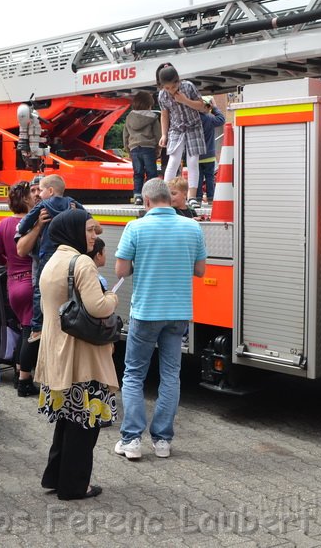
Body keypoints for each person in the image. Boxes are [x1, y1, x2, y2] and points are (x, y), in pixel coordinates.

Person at [114, 177, 206, 460]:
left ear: (147, 201)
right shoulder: (193, 227)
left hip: (146, 312)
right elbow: (200, 271)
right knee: (170, 376)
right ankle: (163, 441)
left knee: (133, 375)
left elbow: (121, 270)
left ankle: (131, 441)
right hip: (178, 313)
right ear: (170, 197)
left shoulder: (136, 227)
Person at [36, 210, 118, 500]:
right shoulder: (82, 261)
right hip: (82, 355)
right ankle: (74, 486)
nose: (94, 237)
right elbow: (98, 307)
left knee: (67, 421)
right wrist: (113, 298)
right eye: (89, 231)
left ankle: (56, 477)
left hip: (57, 352)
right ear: (73, 231)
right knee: (85, 425)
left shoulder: (52, 260)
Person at [15, 174, 81, 361]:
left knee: (40, 292)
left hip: (48, 257)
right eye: (34, 190)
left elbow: (23, 225)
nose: (38, 194)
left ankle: (37, 327)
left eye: (41, 190)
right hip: (68, 255)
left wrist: (26, 226)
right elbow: (88, 218)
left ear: (50, 191)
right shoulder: (71, 203)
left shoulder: (42, 206)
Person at [0, 182, 36, 397]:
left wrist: (9, 263)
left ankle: (20, 372)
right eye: (32, 194)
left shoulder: (4, 224)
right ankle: (23, 380)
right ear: (26, 200)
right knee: (30, 332)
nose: (36, 197)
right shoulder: (33, 224)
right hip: (30, 281)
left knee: (22, 329)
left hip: (13, 283)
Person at [157, 63, 207, 211]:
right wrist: (164, 134)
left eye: (173, 86)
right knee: (173, 160)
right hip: (176, 129)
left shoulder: (188, 86)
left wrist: (185, 100)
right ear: (162, 86)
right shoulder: (162, 95)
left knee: (193, 161)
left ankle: (192, 197)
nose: (171, 90)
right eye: (167, 88)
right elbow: (164, 115)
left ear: (178, 81)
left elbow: (203, 106)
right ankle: (165, 195)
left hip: (194, 127)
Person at [123, 91, 161, 205]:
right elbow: (158, 134)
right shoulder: (153, 117)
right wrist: (159, 148)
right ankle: (151, 196)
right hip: (148, 148)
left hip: (134, 148)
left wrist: (127, 149)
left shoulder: (129, 117)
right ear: (149, 104)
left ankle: (137, 196)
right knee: (151, 173)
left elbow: (125, 135)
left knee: (138, 173)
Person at [195, 95, 226, 204]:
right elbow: (222, 119)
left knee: (197, 178)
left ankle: (197, 199)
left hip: (196, 154)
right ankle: (211, 198)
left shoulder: (194, 119)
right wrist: (215, 107)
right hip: (209, 155)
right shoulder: (210, 118)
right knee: (209, 177)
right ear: (208, 107)